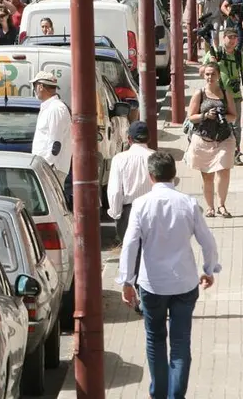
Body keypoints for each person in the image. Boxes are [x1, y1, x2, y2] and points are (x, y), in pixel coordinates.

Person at [118, 152, 219, 399]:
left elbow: (130, 245)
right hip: (184, 283)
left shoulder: (141, 204)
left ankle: (158, 392)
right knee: (181, 343)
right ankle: (177, 395)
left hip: (152, 284)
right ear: (174, 175)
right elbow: (208, 241)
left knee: (155, 340)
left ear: (150, 176)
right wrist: (209, 269)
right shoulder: (188, 202)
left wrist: (126, 281)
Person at [183, 60, 236, 218]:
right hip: (203, 139)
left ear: (219, 75)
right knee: (208, 176)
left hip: (224, 138)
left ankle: (221, 205)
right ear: (203, 75)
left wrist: (223, 117)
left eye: (213, 74)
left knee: (224, 171)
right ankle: (210, 207)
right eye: (207, 74)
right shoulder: (199, 93)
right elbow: (191, 117)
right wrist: (205, 115)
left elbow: (234, 115)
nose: (210, 77)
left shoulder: (226, 93)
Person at [106, 121, 155, 244]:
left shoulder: (119, 159)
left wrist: (116, 213)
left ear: (129, 139)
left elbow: (115, 191)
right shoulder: (156, 157)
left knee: (131, 254)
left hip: (129, 212)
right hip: (153, 210)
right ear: (149, 138)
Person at [31, 71, 73, 205]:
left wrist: (47, 167)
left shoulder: (56, 109)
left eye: (35, 85)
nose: (35, 89)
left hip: (51, 168)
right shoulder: (49, 107)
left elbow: (56, 143)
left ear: (40, 87)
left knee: (52, 205)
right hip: (46, 166)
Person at [203, 26, 243, 165]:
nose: (232, 40)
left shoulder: (238, 55)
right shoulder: (216, 52)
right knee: (215, 123)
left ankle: (235, 153)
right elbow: (202, 70)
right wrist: (212, 62)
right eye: (229, 37)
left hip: (235, 95)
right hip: (217, 96)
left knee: (236, 126)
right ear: (223, 38)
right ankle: (216, 151)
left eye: (235, 37)